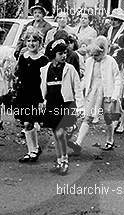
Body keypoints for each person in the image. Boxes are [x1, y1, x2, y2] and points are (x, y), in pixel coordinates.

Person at [71, 38, 121, 152]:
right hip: (93, 92)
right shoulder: (89, 61)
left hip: (106, 92)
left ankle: (110, 139)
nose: (94, 58)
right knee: (87, 117)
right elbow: (86, 77)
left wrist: (114, 95)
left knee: (108, 118)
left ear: (103, 52)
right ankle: (78, 143)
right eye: (92, 55)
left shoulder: (110, 61)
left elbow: (117, 79)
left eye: (96, 56)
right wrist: (80, 88)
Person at [40, 39, 82, 175]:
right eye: (60, 53)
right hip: (52, 104)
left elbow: (77, 87)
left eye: (65, 53)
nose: (64, 56)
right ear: (53, 54)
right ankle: (59, 161)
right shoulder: (45, 69)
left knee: (60, 133)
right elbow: (41, 88)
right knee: (56, 134)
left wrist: (80, 106)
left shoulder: (69, 69)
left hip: (65, 104)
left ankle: (65, 161)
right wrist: (41, 101)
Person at [15, 29, 48, 163]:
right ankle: (35, 148)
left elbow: (45, 80)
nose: (31, 43)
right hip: (24, 95)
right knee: (27, 123)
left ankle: (31, 151)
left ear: (39, 42)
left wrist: (43, 99)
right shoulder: (23, 57)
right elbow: (19, 75)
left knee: (30, 122)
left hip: (37, 96)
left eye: (34, 40)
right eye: (28, 40)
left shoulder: (43, 60)